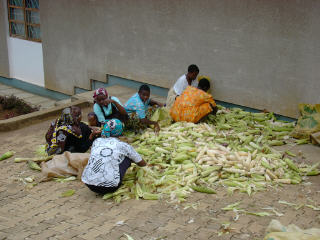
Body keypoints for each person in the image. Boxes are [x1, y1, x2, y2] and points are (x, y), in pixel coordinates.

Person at [82, 119, 147, 194]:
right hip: (110, 187)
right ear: (120, 131)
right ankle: (111, 179)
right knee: (128, 157)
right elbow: (142, 163)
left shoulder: (97, 141)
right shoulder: (123, 145)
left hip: (89, 183)